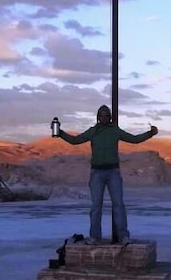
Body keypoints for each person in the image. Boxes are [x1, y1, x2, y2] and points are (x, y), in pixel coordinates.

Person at [57, 105, 158, 245]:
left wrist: (150, 133)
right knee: (96, 207)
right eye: (101, 115)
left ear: (109, 117)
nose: (104, 117)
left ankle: (123, 236)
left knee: (118, 205)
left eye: (106, 115)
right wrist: (60, 133)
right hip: (97, 172)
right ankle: (95, 237)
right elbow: (75, 140)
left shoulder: (114, 130)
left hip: (113, 172)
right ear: (98, 117)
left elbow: (134, 139)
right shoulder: (93, 131)